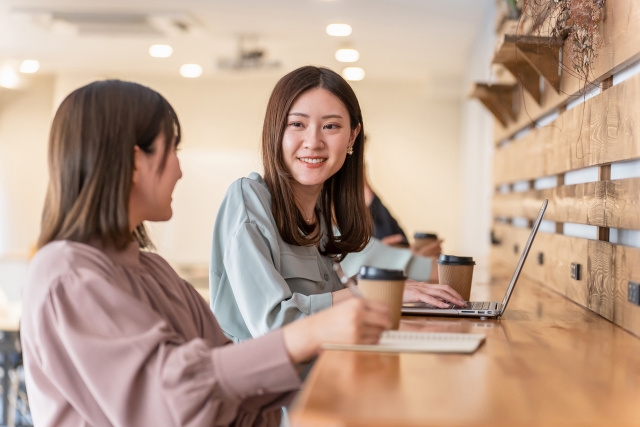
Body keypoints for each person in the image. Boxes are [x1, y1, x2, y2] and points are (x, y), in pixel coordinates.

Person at [21, 80, 392, 427]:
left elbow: (234, 391)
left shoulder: (154, 271)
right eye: (173, 151)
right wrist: (309, 333)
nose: (180, 170)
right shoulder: (67, 274)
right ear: (136, 163)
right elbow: (171, 400)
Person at [210, 66, 466, 343]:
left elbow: (333, 310)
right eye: (297, 124)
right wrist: (375, 291)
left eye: (330, 126)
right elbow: (274, 326)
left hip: (329, 369)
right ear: (276, 130)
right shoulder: (247, 198)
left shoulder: (318, 218)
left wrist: (393, 293)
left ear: (352, 137)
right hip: (274, 385)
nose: (313, 142)